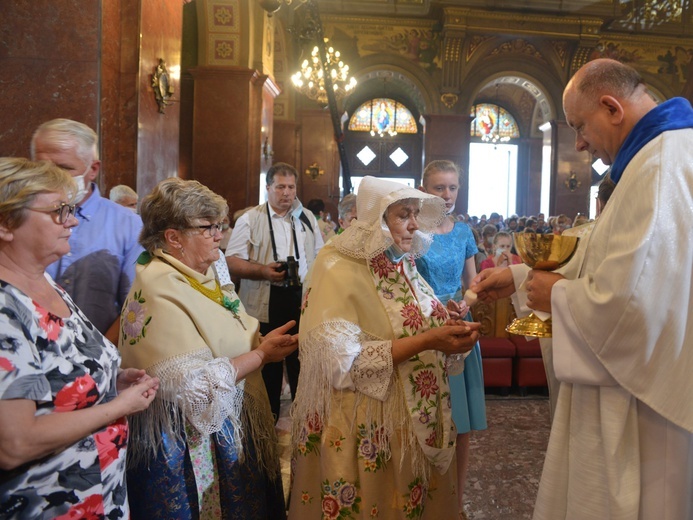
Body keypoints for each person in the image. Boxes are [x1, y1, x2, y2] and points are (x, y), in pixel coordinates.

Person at [473, 58, 693, 520]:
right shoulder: (656, 157)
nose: (579, 143)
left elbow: (630, 307)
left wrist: (555, 296)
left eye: (579, 125)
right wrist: (519, 277)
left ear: (611, 107)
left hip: (642, 399)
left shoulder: (660, 165)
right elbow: (606, 252)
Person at [288, 176, 481, 520]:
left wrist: (443, 322)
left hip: (412, 419)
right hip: (364, 422)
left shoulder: (399, 259)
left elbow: (412, 318)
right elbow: (338, 364)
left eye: (416, 214)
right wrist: (428, 339)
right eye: (403, 214)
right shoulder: (337, 265)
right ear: (376, 219)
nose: (413, 224)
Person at [118, 177, 298, 519]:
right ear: (173, 237)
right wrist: (261, 355)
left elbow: (220, 335)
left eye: (221, 225)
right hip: (189, 442)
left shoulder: (205, 269)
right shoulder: (159, 285)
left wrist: (260, 342)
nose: (219, 234)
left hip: (227, 420)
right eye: (208, 227)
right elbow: (191, 387)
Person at [0, 158, 159, 519]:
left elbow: (54, 375)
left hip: (98, 494)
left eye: (71, 210)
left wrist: (108, 382)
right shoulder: (5, 307)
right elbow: (15, 442)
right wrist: (119, 407)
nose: (72, 221)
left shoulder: (45, 282)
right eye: (58, 212)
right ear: (6, 223)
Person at [414, 160, 487, 518]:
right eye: (439, 188)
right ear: (424, 189)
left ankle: (455, 506)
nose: (447, 195)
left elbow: (472, 283)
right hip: (425, 327)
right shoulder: (413, 232)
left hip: (460, 324)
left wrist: (465, 303)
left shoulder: (463, 233)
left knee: (461, 423)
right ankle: (425, 500)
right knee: (427, 419)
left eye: (452, 187)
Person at [226, 162, 323, 421]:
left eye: (291, 187)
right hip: (264, 298)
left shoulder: (307, 217)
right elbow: (231, 260)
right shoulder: (250, 218)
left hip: (302, 297)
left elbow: (319, 256)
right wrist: (263, 271)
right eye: (280, 187)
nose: (286, 193)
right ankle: (265, 422)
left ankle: (304, 420)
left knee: (301, 360)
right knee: (266, 363)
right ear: (268, 188)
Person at [31, 119, 143, 343]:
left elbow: (134, 307)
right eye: (42, 168)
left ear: (92, 169)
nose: (51, 177)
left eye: (64, 168)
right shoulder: (20, 217)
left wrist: (95, 357)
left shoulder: (128, 225)